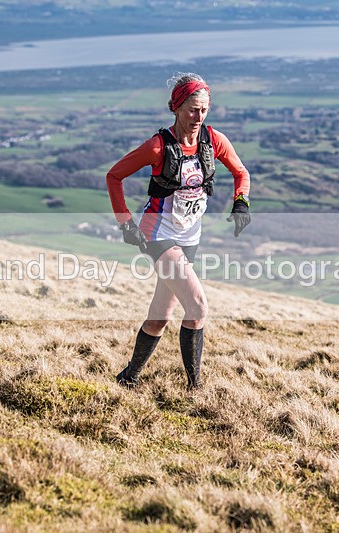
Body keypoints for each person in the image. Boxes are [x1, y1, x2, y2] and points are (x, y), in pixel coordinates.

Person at [106, 73, 251, 389]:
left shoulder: (214, 141)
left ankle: (128, 377)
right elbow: (114, 176)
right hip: (157, 233)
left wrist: (241, 203)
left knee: (160, 315)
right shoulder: (157, 147)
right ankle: (195, 387)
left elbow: (241, 173)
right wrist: (125, 223)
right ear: (176, 107)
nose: (198, 117)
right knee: (197, 307)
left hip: (190, 237)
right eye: (192, 110)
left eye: (204, 110)